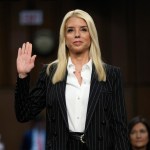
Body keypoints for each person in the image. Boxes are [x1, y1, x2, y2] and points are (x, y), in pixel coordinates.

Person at [15, 9, 129, 150]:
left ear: (91, 35)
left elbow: (120, 127)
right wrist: (22, 76)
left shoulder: (111, 74)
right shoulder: (50, 73)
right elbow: (24, 114)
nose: (77, 34)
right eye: (70, 30)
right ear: (64, 37)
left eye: (83, 29)